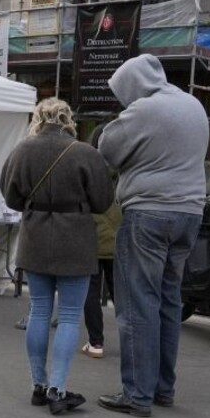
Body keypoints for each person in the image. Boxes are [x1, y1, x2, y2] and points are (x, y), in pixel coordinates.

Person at [97, 54, 209, 418]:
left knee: (137, 303)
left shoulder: (143, 111)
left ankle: (137, 394)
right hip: (189, 213)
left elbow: (107, 149)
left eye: (122, 92)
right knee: (168, 300)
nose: (122, 101)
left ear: (133, 85)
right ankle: (163, 388)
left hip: (148, 212)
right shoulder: (194, 106)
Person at [0, 98, 113, 415]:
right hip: (75, 239)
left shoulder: (22, 151)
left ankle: (38, 385)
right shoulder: (85, 153)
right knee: (68, 316)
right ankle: (57, 389)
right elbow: (103, 201)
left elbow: (11, 198)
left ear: (38, 118)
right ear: (68, 119)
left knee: (38, 311)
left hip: (35, 238)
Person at [82, 123, 121, 359]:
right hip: (119, 236)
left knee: (91, 292)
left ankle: (96, 342)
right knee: (122, 295)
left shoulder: (87, 168)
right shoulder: (125, 167)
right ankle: (130, 342)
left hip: (92, 237)